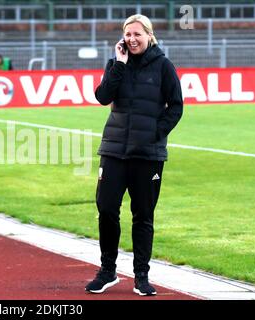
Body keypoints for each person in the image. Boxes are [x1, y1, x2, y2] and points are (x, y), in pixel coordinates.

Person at [85, 14, 183, 296]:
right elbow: (103, 96)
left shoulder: (163, 66)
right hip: (114, 151)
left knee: (143, 216)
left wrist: (154, 132)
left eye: (137, 34)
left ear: (149, 36)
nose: (132, 39)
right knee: (106, 210)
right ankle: (107, 271)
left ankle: (141, 276)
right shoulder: (117, 65)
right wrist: (119, 65)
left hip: (148, 155)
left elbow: (176, 107)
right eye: (128, 34)